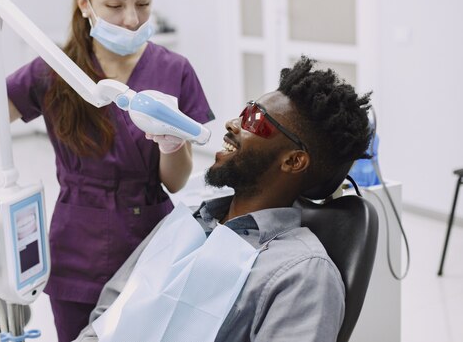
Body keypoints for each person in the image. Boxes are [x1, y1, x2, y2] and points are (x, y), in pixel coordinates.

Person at [0, 0, 214, 342]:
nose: (131, 19)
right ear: (85, 3)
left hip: (151, 240)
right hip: (77, 246)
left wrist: (171, 142)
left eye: (143, 3)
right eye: (115, 4)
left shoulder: (174, 70)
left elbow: (176, 181)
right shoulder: (55, 70)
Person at [74, 56, 372, 342]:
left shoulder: (302, 273)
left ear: (293, 161)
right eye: (245, 112)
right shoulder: (188, 220)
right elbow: (107, 315)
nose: (232, 123)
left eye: (255, 121)